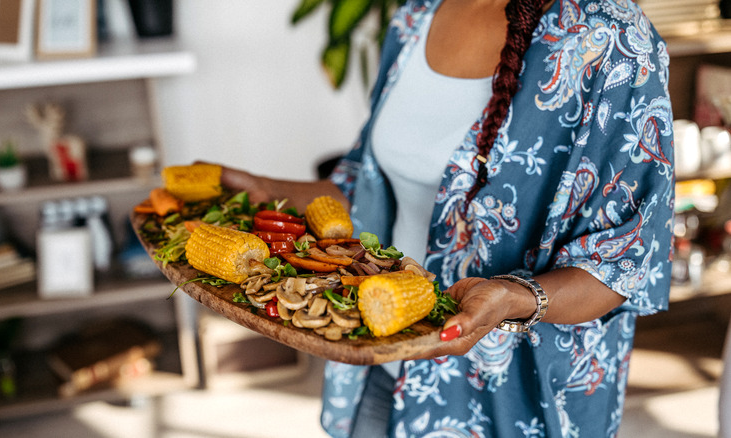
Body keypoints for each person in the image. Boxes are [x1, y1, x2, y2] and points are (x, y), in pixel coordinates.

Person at [219, 0, 674, 436]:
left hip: (516, 397)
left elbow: (624, 262)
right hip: (383, 354)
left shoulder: (612, 37)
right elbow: (367, 186)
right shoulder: (416, 15)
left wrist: (511, 298)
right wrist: (268, 189)